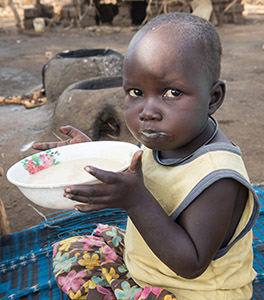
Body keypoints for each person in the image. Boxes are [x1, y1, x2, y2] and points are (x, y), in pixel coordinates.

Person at [33, 12, 259, 300]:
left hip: (193, 291)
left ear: (213, 98)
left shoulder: (217, 177)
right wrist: (88, 154)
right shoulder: (164, 139)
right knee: (75, 250)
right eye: (136, 92)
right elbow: (133, 177)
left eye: (172, 93)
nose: (147, 111)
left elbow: (191, 264)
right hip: (147, 266)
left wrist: (135, 201)